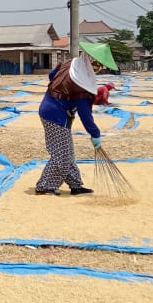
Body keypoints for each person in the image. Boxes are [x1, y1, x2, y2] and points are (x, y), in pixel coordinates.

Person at [35, 42, 115, 196]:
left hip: (49, 107)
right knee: (62, 153)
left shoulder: (71, 64)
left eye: (99, 67)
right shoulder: (82, 85)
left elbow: (52, 76)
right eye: (96, 66)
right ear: (89, 61)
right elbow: (85, 115)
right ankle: (45, 186)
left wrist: (68, 92)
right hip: (55, 116)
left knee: (67, 151)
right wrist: (95, 134)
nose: (98, 70)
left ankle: (75, 185)